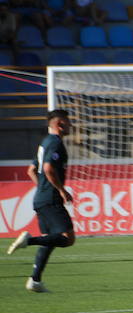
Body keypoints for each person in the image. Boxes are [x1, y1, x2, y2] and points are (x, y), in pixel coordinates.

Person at [7, 110, 77, 292]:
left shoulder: (44, 143)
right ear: (60, 123)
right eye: (69, 122)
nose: (71, 126)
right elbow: (48, 168)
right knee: (68, 239)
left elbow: (31, 170)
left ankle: (35, 281)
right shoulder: (55, 143)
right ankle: (28, 241)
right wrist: (61, 190)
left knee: (49, 240)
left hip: (40, 198)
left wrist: (42, 189)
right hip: (51, 199)